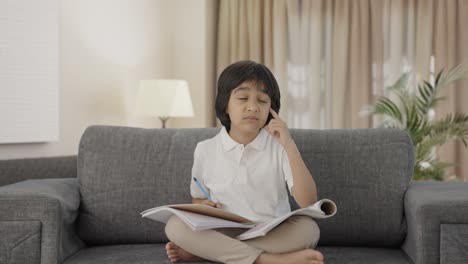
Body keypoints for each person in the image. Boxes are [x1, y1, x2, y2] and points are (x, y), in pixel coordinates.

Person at [164, 60, 324, 264]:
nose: (253, 107)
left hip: (270, 232)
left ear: (271, 110)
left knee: (308, 229)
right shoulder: (205, 149)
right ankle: (268, 261)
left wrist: (289, 145)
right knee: (175, 225)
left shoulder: (280, 147)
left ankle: (209, 252)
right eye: (243, 98)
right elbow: (197, 198)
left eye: (263, 101)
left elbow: (308, 201)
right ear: (225, 105)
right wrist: (203, 205)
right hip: (224, 229)